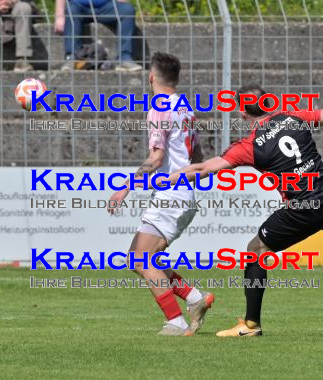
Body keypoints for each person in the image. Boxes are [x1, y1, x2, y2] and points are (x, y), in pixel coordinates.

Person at [157, 84, 323, 338]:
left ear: (242, 112)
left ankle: (251, 324)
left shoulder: (249, 146)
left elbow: (204, 169)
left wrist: (163, 179)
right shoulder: (294, 117)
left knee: (255, 250)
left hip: (304, 206)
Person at [106, 52, 214, 336]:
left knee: (141, 260)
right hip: (183, 193)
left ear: (151, 77)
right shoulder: (185, 107)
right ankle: (194, 297)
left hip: (172, 195)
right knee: (139, 258)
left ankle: (176, 322)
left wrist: (124, 187)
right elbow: (198, 155)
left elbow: (156, 158)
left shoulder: (159, 107)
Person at [54, 0, 143, 72]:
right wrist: (59, 16)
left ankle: (124, 58)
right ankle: (72, 58)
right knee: (71, 9)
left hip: (107, 7)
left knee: (127, 10)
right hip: (78, 7)